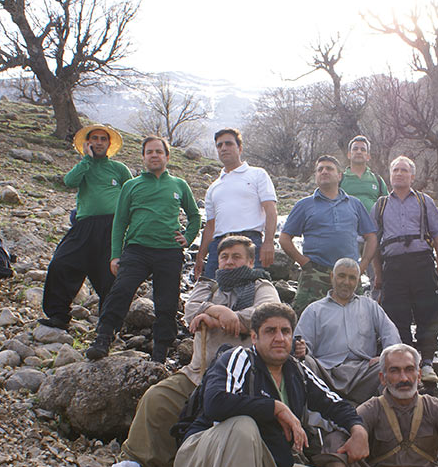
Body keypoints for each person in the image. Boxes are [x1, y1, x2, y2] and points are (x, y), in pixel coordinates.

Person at [172, 302, 369, 467]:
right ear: (254, 337)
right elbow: (215, 403)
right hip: (204, 466)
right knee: (243, 426)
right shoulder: (240, 358)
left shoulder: (296, 370)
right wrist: (275, 407)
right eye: (270, 331)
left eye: (286, 331)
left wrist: (358, 429)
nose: (280, 338)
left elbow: (336, 404)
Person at [117, 236, 279, 467]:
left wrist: (224, 319)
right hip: (198, 373)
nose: (229, 262)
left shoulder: (262, 286)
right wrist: (218, 310)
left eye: (236, 257)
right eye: (224, 257)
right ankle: (138, 465)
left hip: (241, 379)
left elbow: (265, 317)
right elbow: (191, 310)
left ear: (250, 261)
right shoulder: (209, 285)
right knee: (156, 399)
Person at [85, 136, 201, 363]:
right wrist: (115, 255)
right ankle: (104, 337)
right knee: (120, 291)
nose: (155, 155)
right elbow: (120, 222)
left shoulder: (179, 185)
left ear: (167, 157)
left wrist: (187, 237)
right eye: (150, 152)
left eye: (159, 151)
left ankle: (160, 352)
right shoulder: (131, 185)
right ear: (144, 157)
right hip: (137, 249)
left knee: (167, 303)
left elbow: (194, 215)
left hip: (169, 252)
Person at [40, 124, 132, 330]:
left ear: (109, 144)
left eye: (103, 139)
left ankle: (109, 324)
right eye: (95, 139)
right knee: (61, 263)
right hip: (84, 226)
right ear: (88, 143)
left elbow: (132, 196)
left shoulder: (119, 169)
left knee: (109, 275)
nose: (99, 142)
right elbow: (69, 181)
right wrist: (87, 159)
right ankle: (58, 315)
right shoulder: (84, 166)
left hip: (112, 227)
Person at [371, 155, 438, 385]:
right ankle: (408, 363)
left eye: (404, 170)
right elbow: (373, 242)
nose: (399, 174)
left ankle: (426, 362)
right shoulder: (381, 204)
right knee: (396, 315)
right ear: (389, 175)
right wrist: (378, 273)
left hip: (422, 263)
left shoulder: (425, 201)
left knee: (429, 312)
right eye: (395, 170)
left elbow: (437, 234)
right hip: (393, 266)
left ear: (412, 176)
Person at [294, 258, 400, 405]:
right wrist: (301, 349)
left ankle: (386, 416)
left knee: (391, 365)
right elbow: (301, 344)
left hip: (364, 372)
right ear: (332, 277)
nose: (346, 282)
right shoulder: (314, 310)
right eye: (341, 276)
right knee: (302, 364)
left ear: (358, 281)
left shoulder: (369, 305)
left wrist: (385, 356)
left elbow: (390, 332)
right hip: (325, 371)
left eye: (352, 278)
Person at [280, 155, 377, 315]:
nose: (324, 172)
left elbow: (371, 236)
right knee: (306, 320)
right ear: (316, 176)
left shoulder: (354, 204)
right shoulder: (304, 205)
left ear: (339, 176)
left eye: (329, 168)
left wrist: (363, 264)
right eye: (320, 169)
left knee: (357, 319)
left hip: (349, 273)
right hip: (315, 273)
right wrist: (303, 262)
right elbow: (284, 238)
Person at [194, 128, 277, 280]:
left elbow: (270, 209)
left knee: (252, 291)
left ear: (240, 148)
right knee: (214, 291)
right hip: (219, 246)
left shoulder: (257, 174)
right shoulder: (213, 187)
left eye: (228, 144)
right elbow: (210, 226)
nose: (223, 148)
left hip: (251, 242)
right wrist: (200, 256)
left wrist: (269, 242)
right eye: (219, 145)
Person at [340, 135, 386, 299]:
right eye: (355, 149)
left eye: (363, 149)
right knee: (344, 276)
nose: (359, 152)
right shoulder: (340, 179)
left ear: (368, 156)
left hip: (373, 236)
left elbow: (387, 206)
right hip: (346, 235)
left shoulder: (378, 180)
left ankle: (376, 313)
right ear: (349, 154)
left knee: (378, 278)